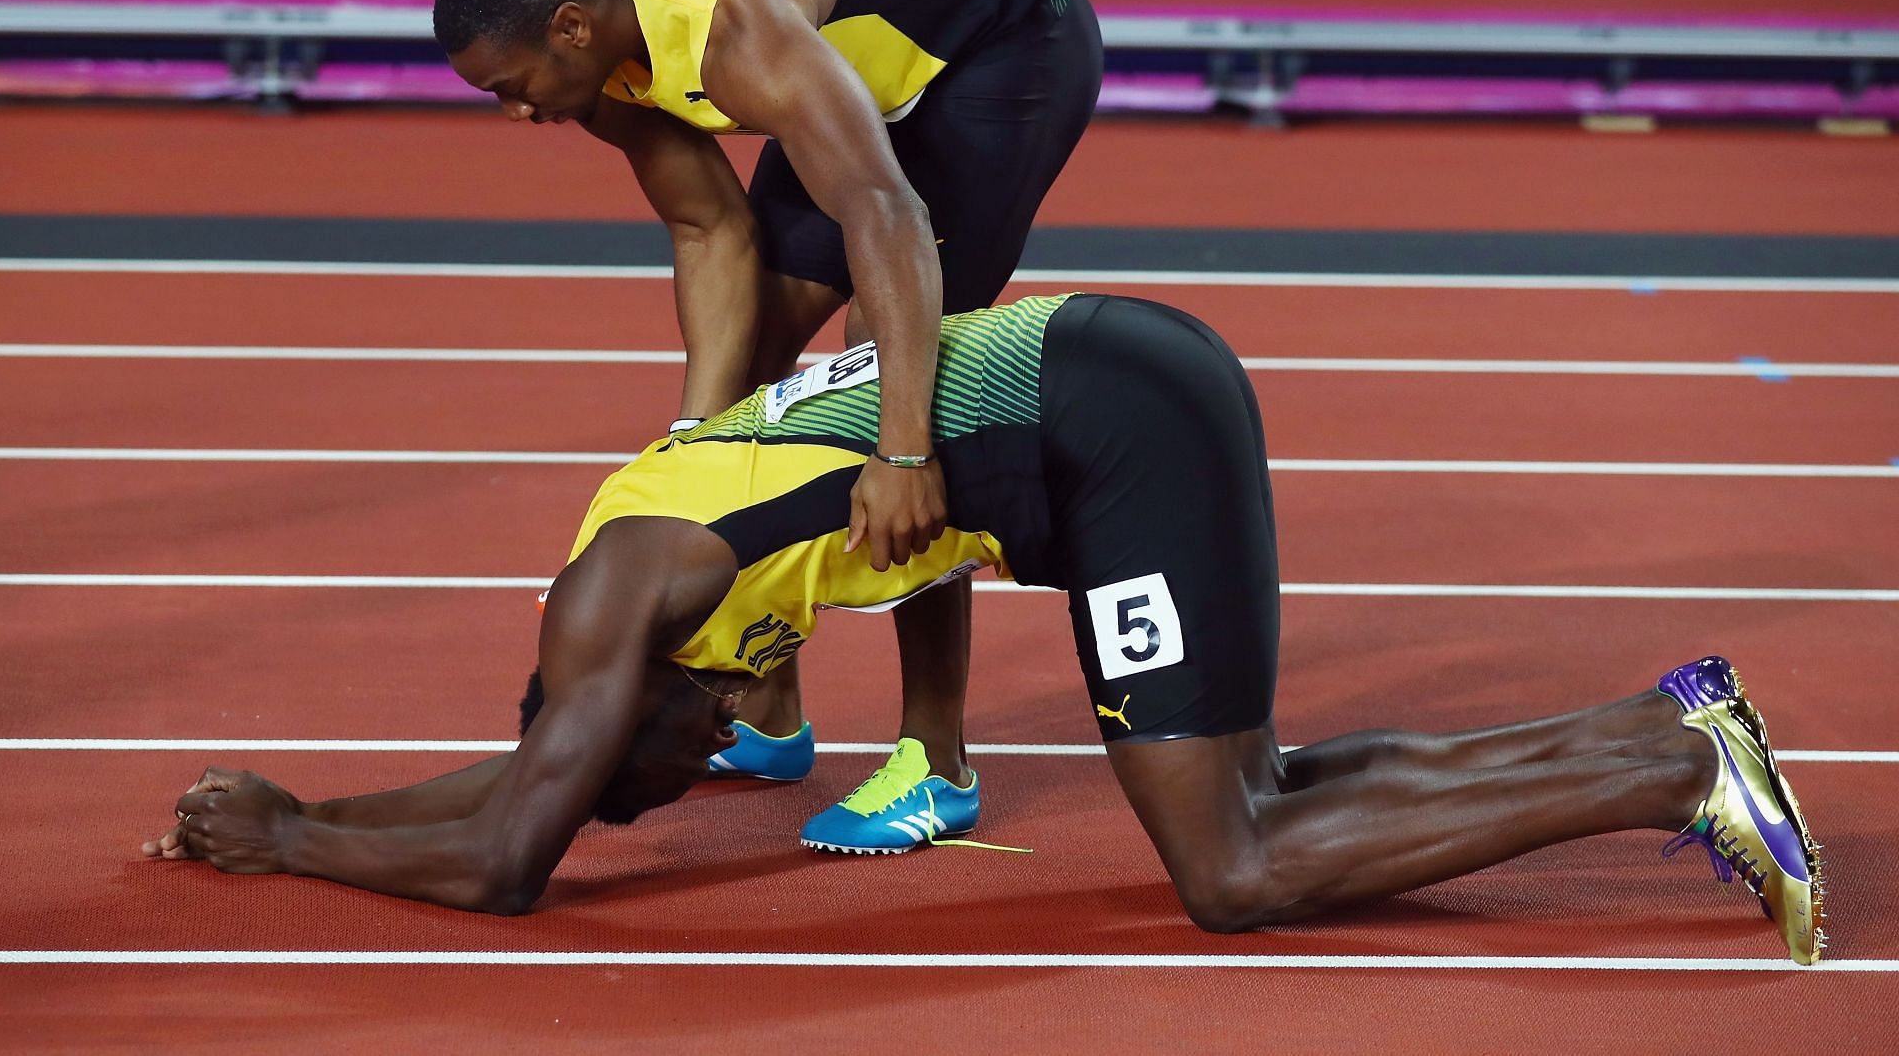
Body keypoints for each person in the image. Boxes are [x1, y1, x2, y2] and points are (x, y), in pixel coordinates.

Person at [145, 294, 1824, 963]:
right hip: (1118, 396)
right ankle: (1659, 719)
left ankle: (1676, 772)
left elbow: (516, 841)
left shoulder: (618, 597)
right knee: (1272, 788)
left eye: (642, 765)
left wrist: (295, 833)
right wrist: (311, 810)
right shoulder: (633, 603)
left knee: (1231, 870)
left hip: (1115, 427)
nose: (690, 761)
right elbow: (531, 783)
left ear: (621, 697)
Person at [429, 0, 1104, 843]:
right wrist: (698, 438)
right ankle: (771, 709)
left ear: (567, 30)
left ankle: (937, 759)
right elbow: (710, 229)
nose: (516, 113)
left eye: (513, 87)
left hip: (1003, 45)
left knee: (891, 369)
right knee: (752, 387)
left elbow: (886, 209)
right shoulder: (594, 52)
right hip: (854, 68)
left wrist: (904, 452)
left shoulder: (735, 29)